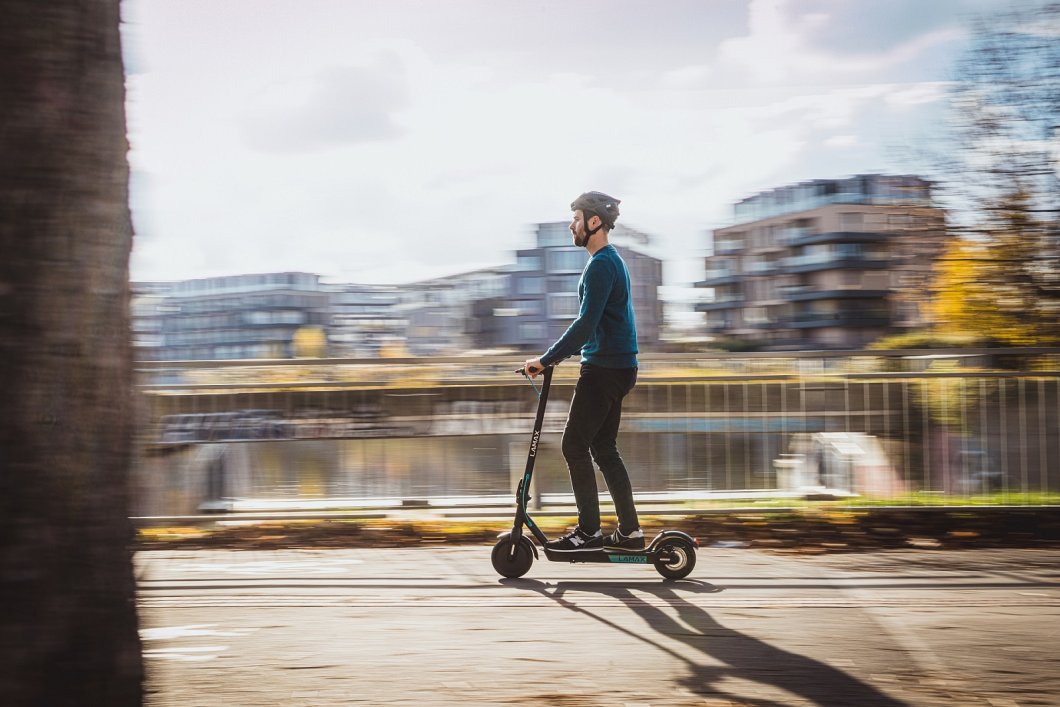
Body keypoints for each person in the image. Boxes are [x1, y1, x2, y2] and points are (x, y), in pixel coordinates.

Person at [522, 191, 643, 553]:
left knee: (575, 445)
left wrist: (546, 360)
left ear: (594, 222)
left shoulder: (603, 264)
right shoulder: (608, 262)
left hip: (604, 369)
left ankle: (588, 533)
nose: (571, 225)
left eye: (576, 218)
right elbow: (594, 324)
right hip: (618, 366)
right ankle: (630, 534)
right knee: (603, 448)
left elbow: (586, 324)